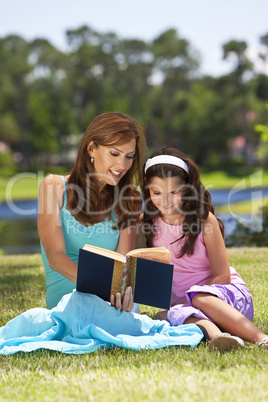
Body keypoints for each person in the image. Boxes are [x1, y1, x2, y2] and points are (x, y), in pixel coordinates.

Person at [141, 147, 268, 351]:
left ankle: (262, 338)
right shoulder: (147, 224)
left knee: (199, 298)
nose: (165, 200)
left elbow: (222, 276)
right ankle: (220, 338)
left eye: (174, 192)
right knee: (164, 315)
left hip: (225, 300)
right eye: (156, 192)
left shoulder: (203, 220)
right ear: (147, 190)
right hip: (187, 308)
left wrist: (190, 300)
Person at [38, 112, 146, 312]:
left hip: (110, 300)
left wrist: (122, 295)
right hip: (68, 302)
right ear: (91, 149)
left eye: (129, 157)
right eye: (114, 154)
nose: (121, 166)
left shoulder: (130, 197)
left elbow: (123, 264)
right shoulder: (53, 187)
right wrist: (103, 290)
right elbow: (55, 257)